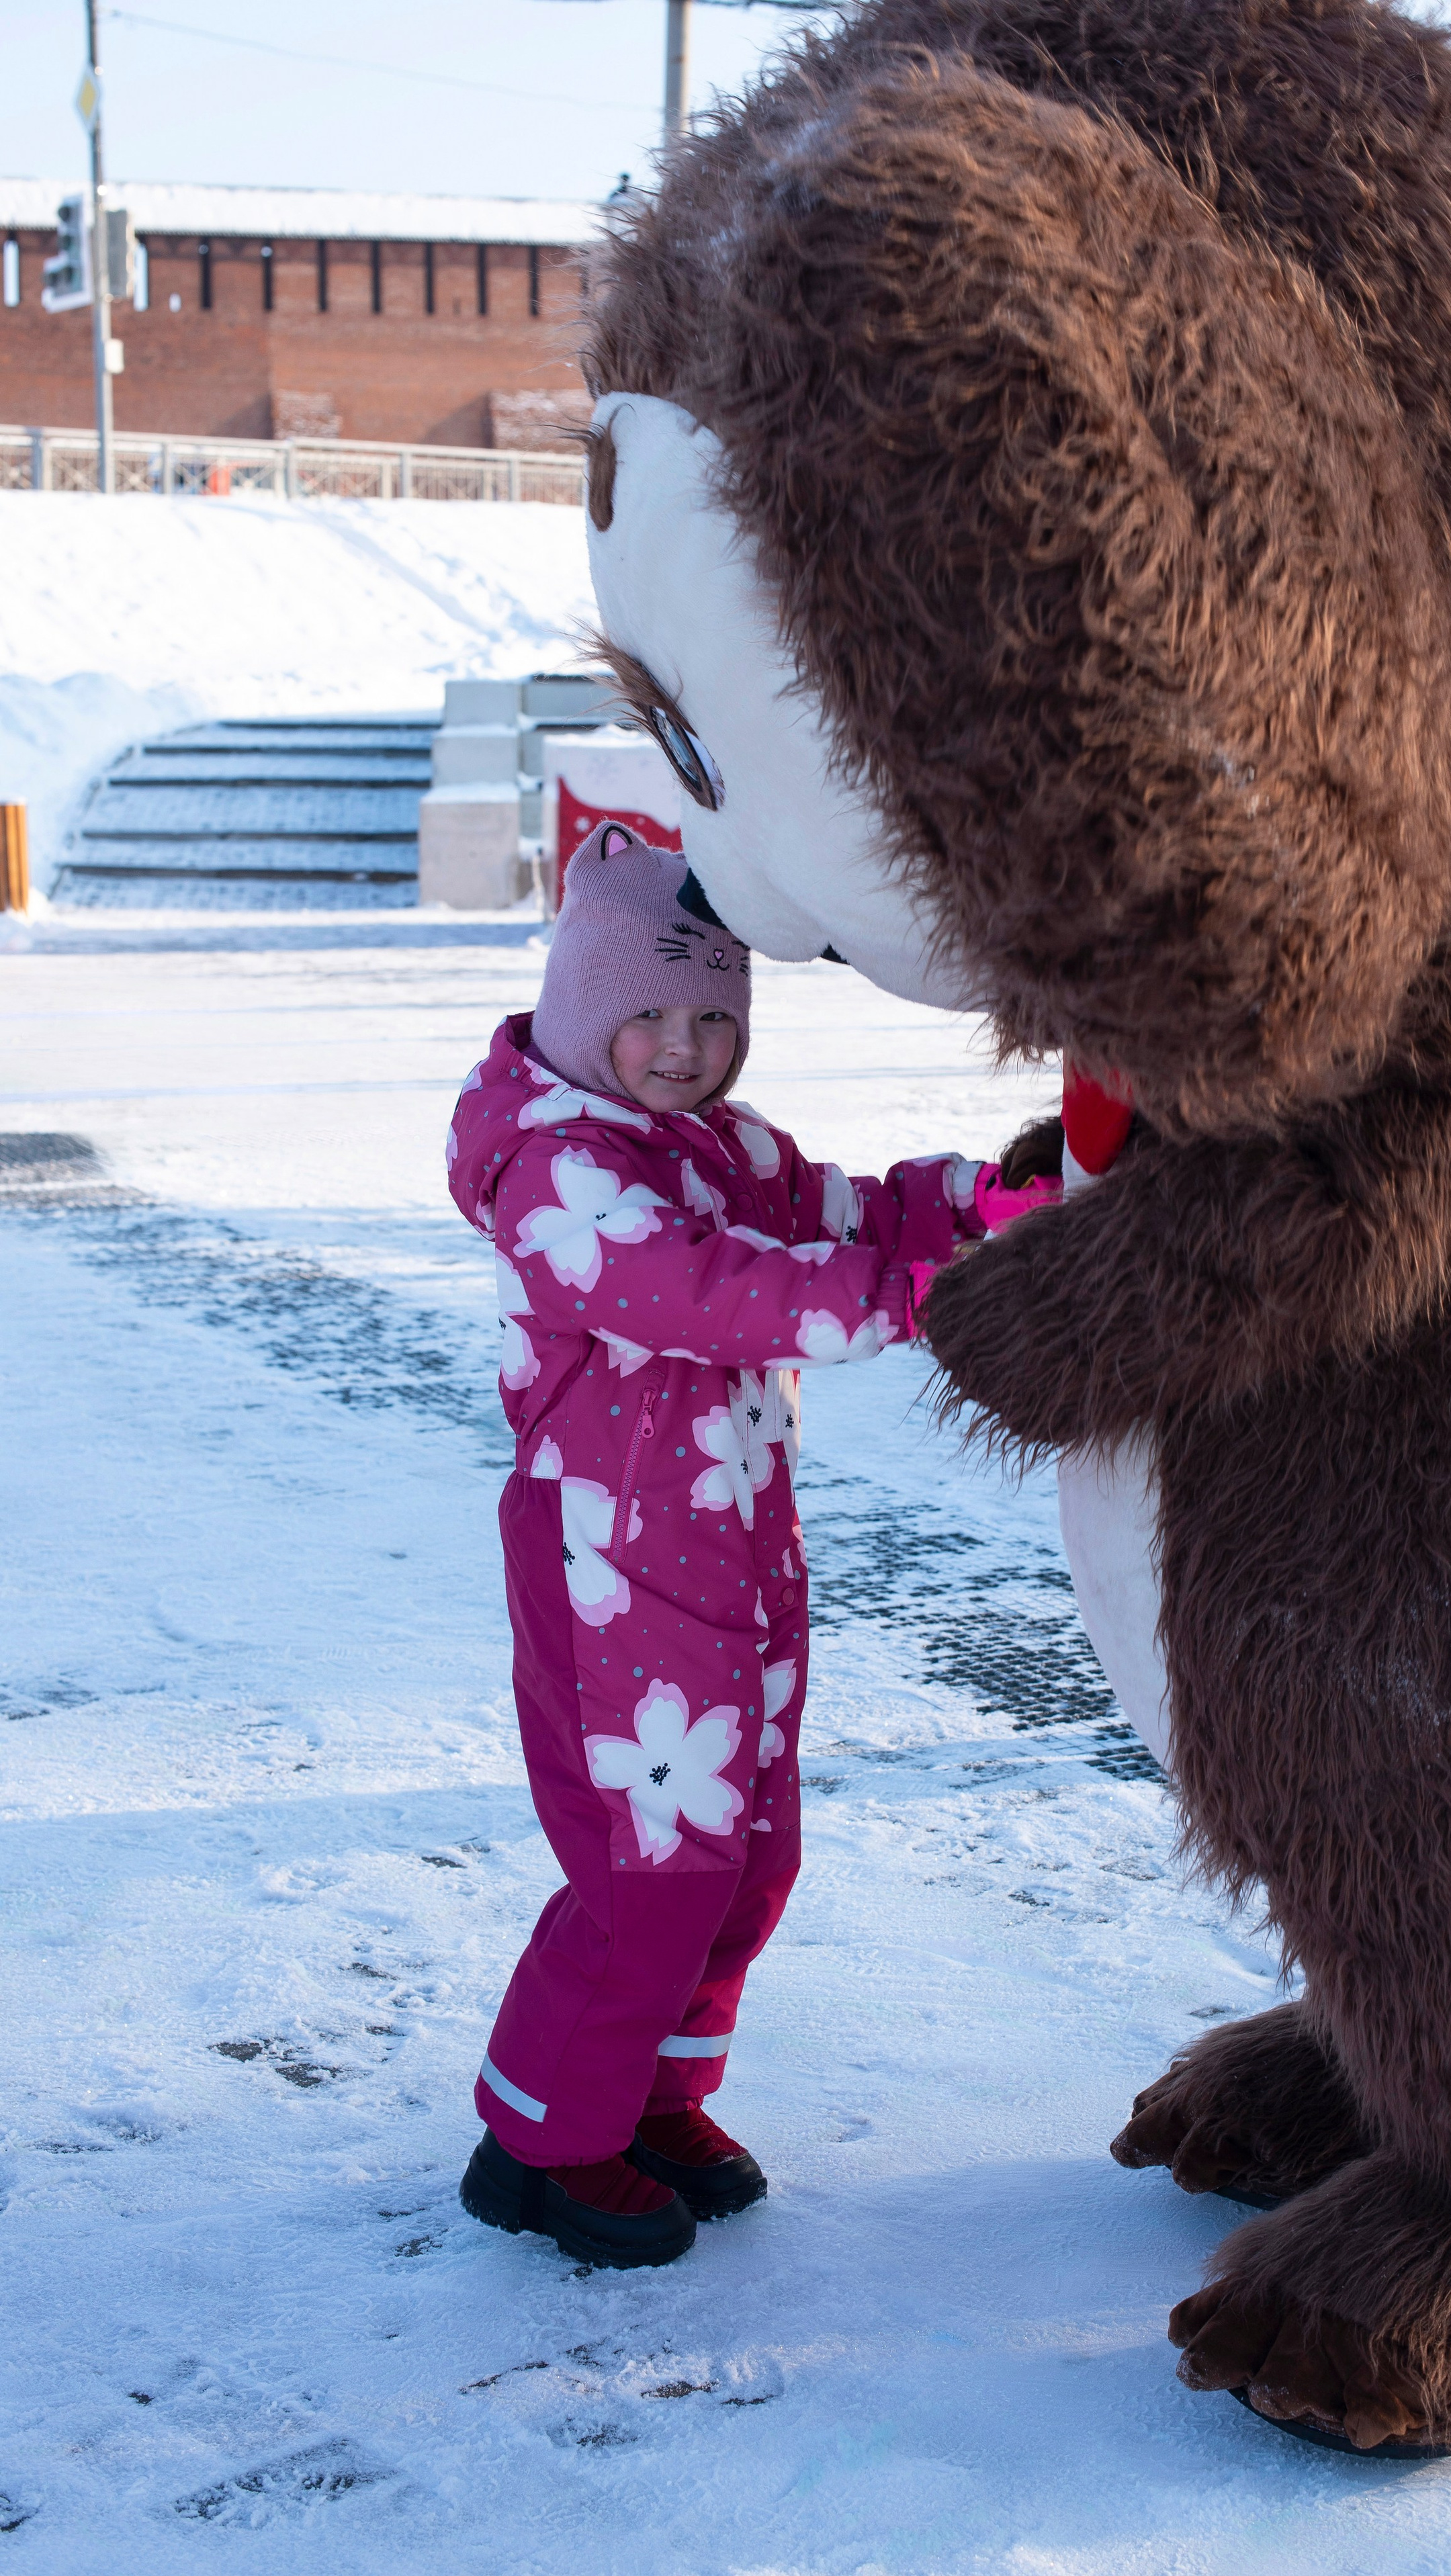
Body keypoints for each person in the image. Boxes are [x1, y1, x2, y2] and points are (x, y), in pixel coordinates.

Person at [446, 819, 1055, 2268]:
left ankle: (650, 2091)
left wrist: (979, 1204)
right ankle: (540, 2141)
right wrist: (914, 1299)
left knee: (745, 1851)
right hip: (608, 1570)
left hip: (728, 1556)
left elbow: (838, 1206)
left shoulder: (718, 1144)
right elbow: (702, 1289)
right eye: (646, 1016)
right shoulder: (555, 1174)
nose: (679, 1047)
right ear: (580, 1010)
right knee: (651, 1864)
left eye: (712, 1017)